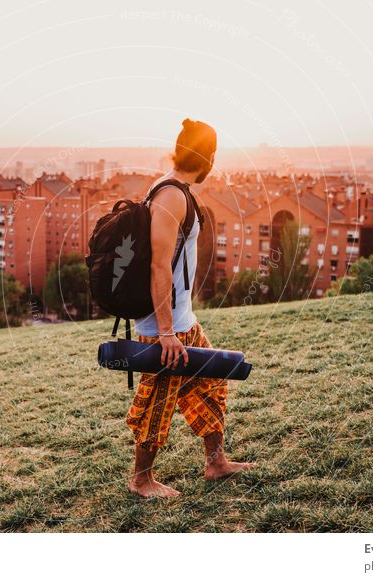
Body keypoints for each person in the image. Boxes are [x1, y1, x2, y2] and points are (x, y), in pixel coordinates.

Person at [126, 119, 255, 498]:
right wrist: (165, 332)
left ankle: (216, 462)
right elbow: (158, 264)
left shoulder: (172, 189)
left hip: (183, 319)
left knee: (211, 383)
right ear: (209, 158)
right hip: (165, 325)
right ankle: (141, 480)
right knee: (157, 402)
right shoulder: (171, 196)